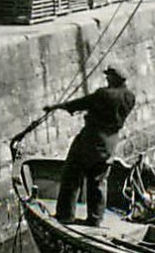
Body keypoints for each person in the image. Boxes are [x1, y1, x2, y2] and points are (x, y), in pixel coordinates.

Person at [46, 66, 137, 227]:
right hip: (110, 144)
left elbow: (81, 103)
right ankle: (95, 219)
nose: (106, 80)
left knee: (71, 176)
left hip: (90, 140)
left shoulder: (104, 95)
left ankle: (65, 215)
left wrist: (58, 106)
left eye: (108, 77)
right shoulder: (130, 97)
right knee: (98, 181)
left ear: (114, 78)